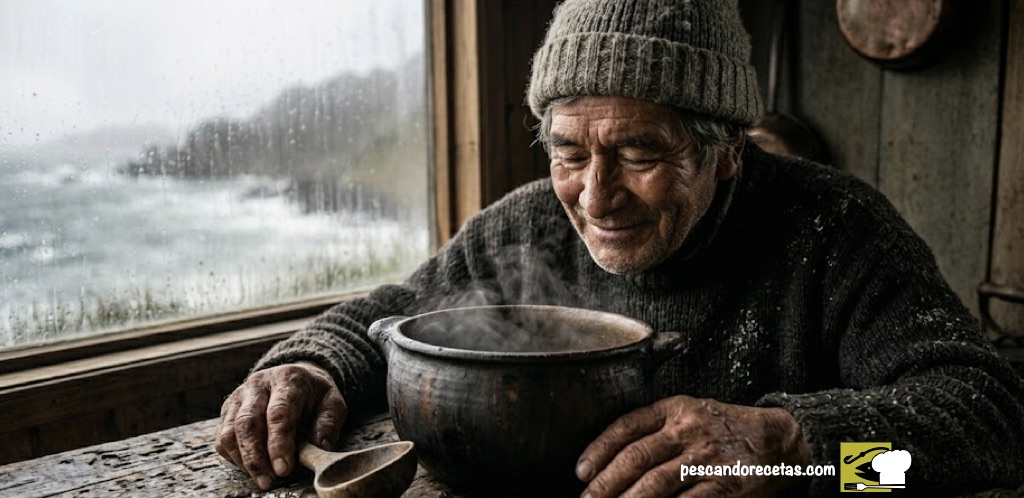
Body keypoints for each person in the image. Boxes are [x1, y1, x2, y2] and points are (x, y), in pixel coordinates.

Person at [215, 0, 1024, 496]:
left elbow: (989, 426)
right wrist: (311, 365)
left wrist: (791, 453)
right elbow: (391, 316)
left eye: (640, 155)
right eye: (570, 153)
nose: (594, 199)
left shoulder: (836, 233)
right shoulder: (529, 224)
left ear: (726, 152)